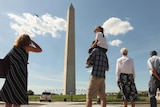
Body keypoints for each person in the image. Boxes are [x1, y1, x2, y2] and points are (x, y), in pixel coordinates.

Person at [0, 34, 42, 107]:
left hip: (11, 74)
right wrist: (32, 41)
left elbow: (8, 60)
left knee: (8, 99)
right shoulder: (26, 47)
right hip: (20, 75)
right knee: (17, 98)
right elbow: (39, 49)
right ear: (27, 41)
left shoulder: (13, 49)